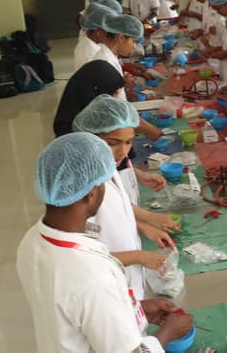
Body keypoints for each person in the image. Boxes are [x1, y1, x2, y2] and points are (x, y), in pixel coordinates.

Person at [17, 133, 193, 352]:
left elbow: (74, 312)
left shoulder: (32, 240)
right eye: (104, 184)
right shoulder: (92, 276)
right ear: (92, 193)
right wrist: (168, 333)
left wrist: (136, 309)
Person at [72, 95, 180, 300]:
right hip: (105, 287)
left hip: (126, 279)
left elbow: (118, 208)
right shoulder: (84, 188)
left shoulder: (108, 167)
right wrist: (139, 256)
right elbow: (85, 257)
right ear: (90, 136)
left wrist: (146, 225)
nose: (122, 151)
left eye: (129, 142)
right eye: (113, 143)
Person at [54, 61, 124, 137]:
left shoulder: (90, 111)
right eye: (115, 94)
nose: (117, 99)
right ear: (97, 92)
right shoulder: (73, 132)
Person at [91, 14, 142, 101]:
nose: (134, 46)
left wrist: (123, 82)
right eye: (133, 41)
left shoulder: (110, 56)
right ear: (121, 38)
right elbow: (110, 103)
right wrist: (125, 87)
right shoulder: (105, 63)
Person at [73, 2, 114, 72]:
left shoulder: (93, 43)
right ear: (98, 32)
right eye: (107, 31)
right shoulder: (89, 53)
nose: (110, 34)